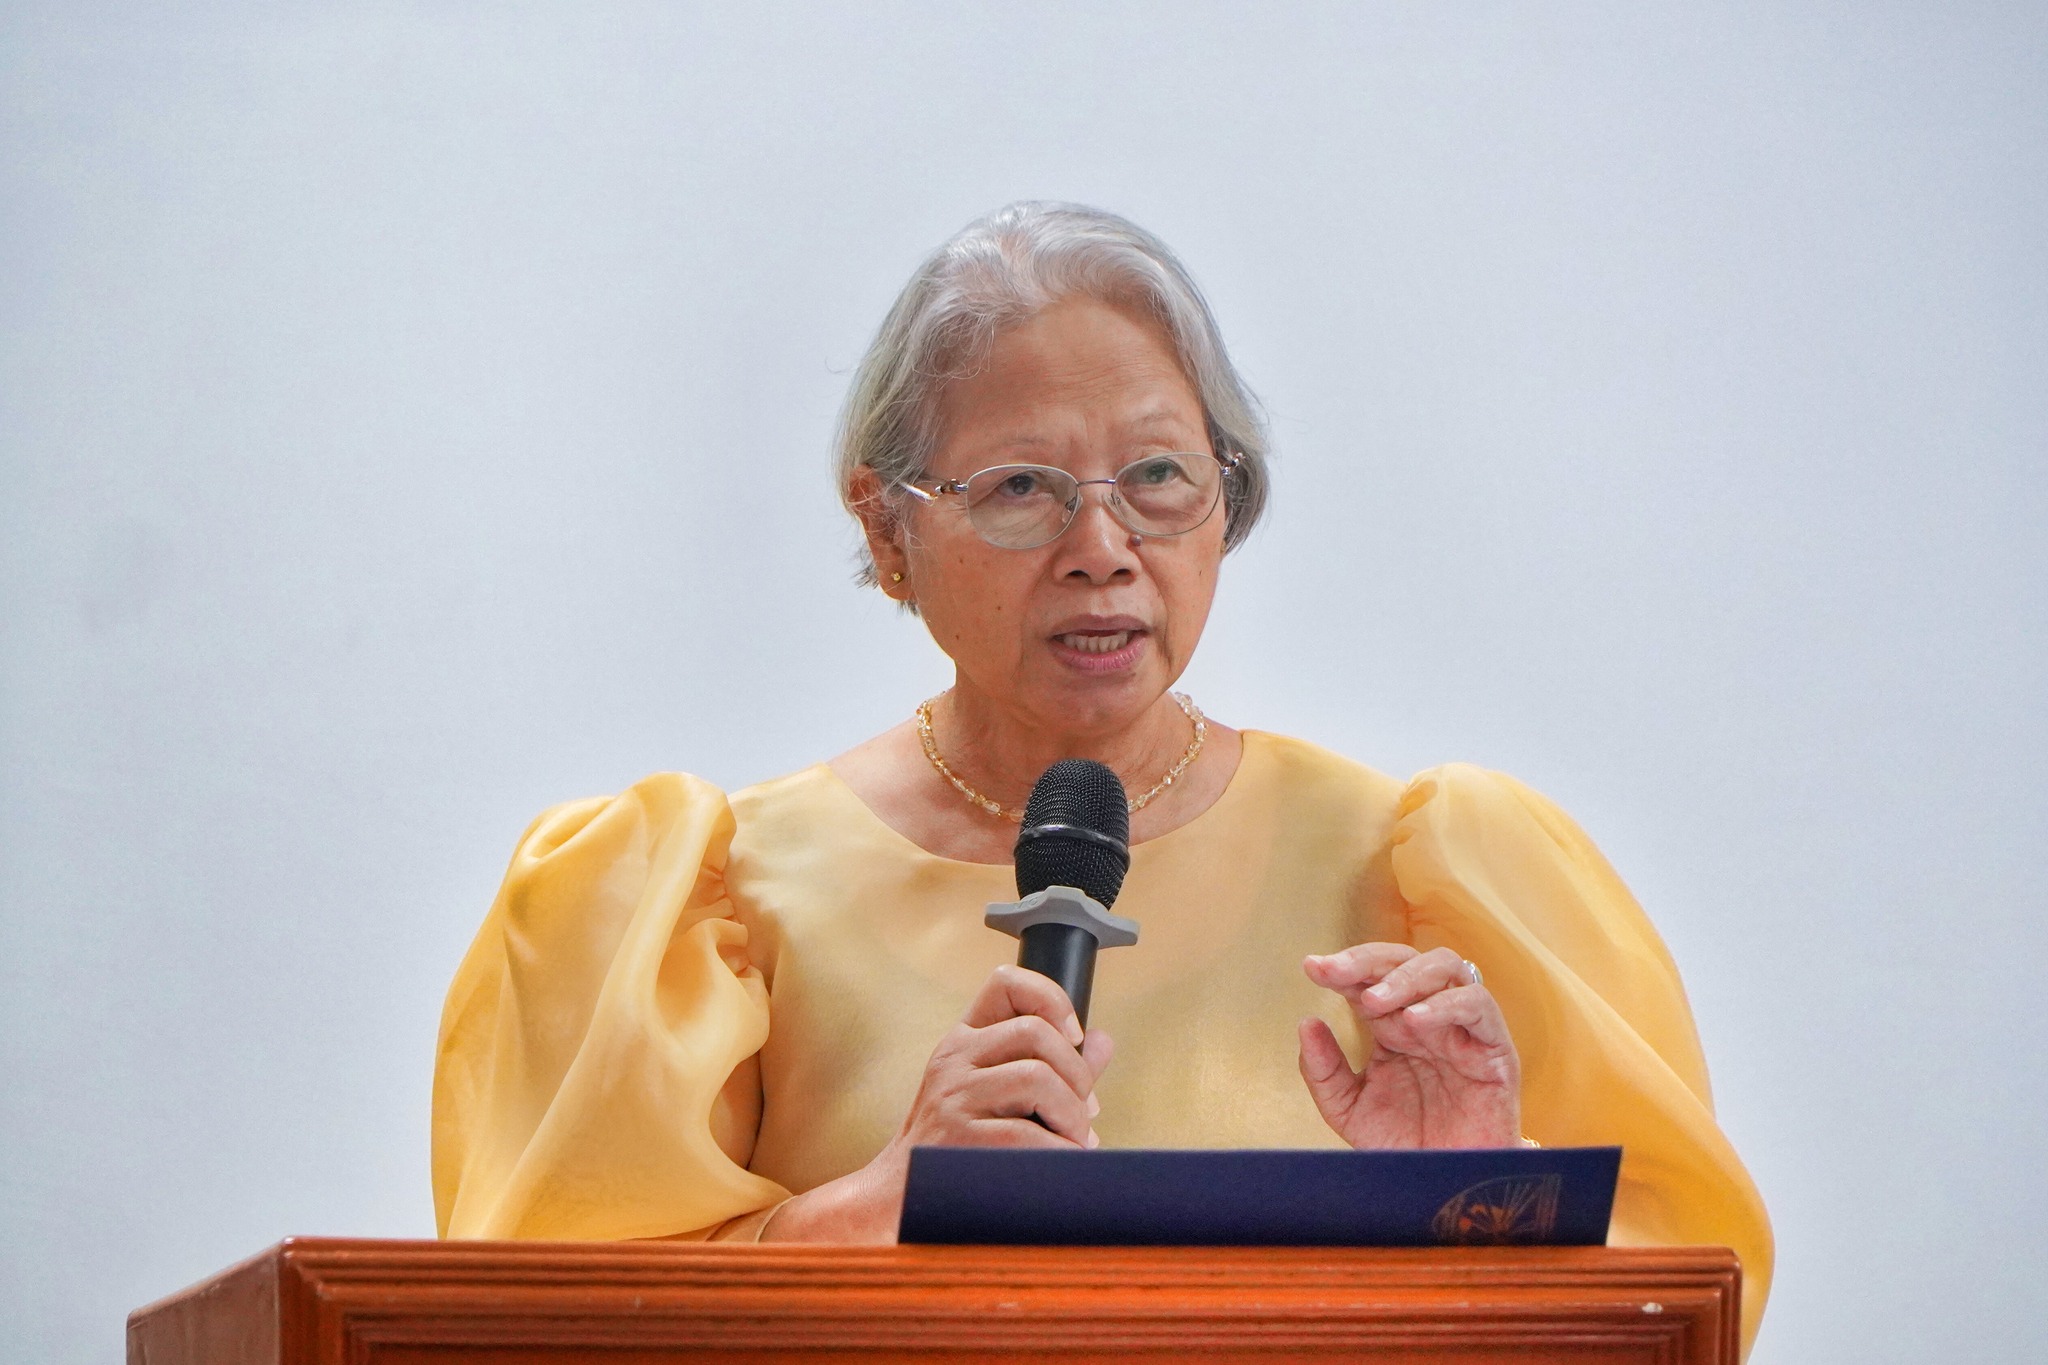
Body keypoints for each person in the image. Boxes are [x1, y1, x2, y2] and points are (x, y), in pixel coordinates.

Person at [432, 202, 1772, 1353]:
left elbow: (1679, 1317)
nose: (1102, 546)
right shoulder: (702, 897)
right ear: (886, 529)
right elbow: (541, 1333)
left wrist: (1485, 1207)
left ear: (1226, 505)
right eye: (1023, 486)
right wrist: (871, 1207)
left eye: (1158, 476)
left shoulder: (1427, 880)